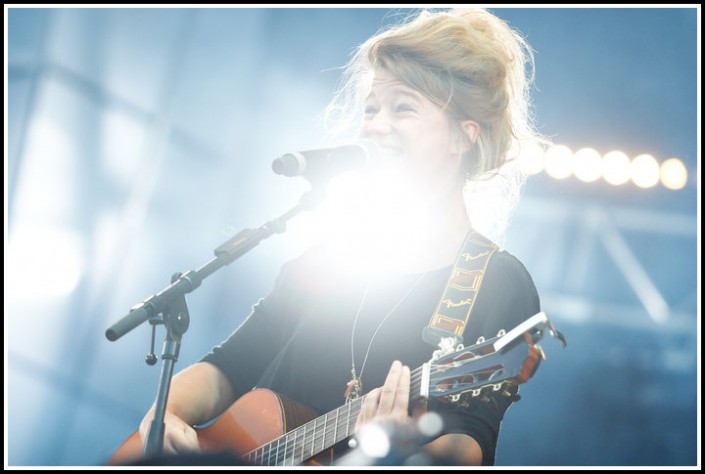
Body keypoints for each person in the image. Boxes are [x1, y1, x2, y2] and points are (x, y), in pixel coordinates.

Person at [136, 7, 545, 466]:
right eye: (370, 109)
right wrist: (166, 414)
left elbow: (467, 447)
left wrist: (400, 447)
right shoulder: (328, 261)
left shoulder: (495, 281)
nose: (375, 125)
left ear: (463, 137)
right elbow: (228, 366)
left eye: (403, 108)